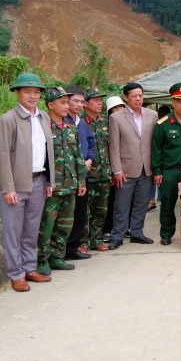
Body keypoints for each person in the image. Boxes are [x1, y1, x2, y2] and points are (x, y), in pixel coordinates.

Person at [0, 72, 55, 292]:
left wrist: (50, 180)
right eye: (27, 91)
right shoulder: (8, 120)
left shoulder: (43, 117)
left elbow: (49, 151)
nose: (32, 96)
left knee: (31, 229)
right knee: (13, 231)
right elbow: (2, 156)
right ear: (17, 93)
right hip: (16, 185)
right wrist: (8, 188)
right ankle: (16, 274)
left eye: (36, 92)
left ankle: (30, 268)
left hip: (38, 181)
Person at [37, 87, 87, 274]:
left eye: (68, 102)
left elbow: (78, 156)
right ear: (50, 105)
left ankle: (58, 256)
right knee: (47, 226)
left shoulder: (70, 127)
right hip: (52, 186)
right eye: (63, 103)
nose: (67, 106)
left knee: (65, 224)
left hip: (70, 184)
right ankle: (42, 260)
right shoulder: (43, 128)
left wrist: (81, 180)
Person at [108, 82, 159, 250]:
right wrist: (117, 170)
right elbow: (114, 146)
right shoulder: (116, 117)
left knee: (141, 203)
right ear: (126, 98)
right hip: (126, 169)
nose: (138, 99)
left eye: (140, 95)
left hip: (147, 167)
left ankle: (137, 232)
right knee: (121, 204)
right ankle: (117, 235)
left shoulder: (152, 115)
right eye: (134, 96)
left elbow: (156, 143)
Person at [152, 83, 181, 245]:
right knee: (167, 204)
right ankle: (166, 233)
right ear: (173, 102)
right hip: (169, 170)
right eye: (179, 101)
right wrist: (157, 171)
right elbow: (156, 149)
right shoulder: (163, 124)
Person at [64, 84, 96, 261]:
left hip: (82, 175)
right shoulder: (62, 122)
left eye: (82, 102)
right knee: (66, 214)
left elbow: (91, 144)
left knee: (80, 212)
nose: (79, 105)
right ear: (66, 101)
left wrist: (90, 159)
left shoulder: (81, 123)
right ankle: (61, 249)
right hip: (67, 175)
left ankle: (73, 247)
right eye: (75, 101)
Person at [82, 87, 111, 252]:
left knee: (101, 210)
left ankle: (96, 239)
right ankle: (83, 242)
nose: (100, 103)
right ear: (86, 103)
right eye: (96, 100)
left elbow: (110, 147)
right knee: (85, 211)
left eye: (101, 100)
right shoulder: (79, 123)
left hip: (104, 173)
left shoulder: (104, 121)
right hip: (88, 174)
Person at [102, 95, 126, 241]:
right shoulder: (106, 125)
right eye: (114, 109)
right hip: (112, 169)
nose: (117, 110)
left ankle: (125, 227)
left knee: (126, 201)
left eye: (120, 107)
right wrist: (113, 170)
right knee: (112, 202)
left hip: (129, 167)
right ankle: (108, 229)